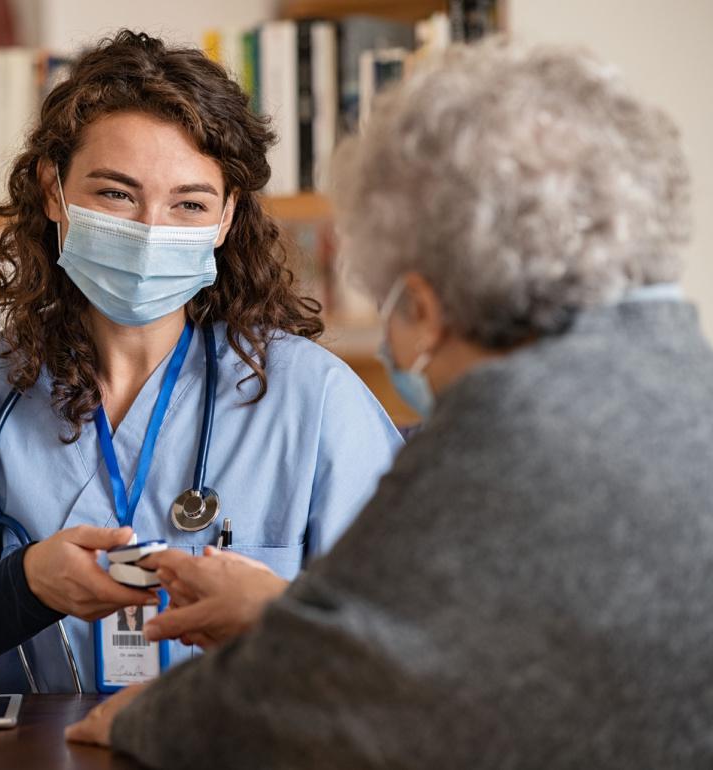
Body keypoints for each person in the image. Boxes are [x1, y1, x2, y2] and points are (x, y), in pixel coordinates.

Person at [66, 39, 713, 768]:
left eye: (392, 309)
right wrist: (283, 616)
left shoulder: (506, 425)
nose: (401, 353)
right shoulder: (682, 372)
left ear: (428, 309)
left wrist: (141, 721)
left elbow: (337, 693)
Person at [0, 30, 401, 697]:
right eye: (116, 195)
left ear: (227, 218)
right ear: (52, 191)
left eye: (189, 204)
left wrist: (270, 615)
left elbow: (403, 647)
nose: (150, 230)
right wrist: (26, 584)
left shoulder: (313, 398)